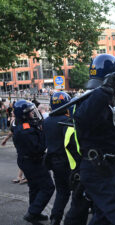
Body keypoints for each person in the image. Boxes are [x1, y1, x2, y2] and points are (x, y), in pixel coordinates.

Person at [73, 54, 115, 225]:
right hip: (101, 169)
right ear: (110, 80)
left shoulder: (106, 100)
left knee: (104, 219)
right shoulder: (92, 98)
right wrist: (104, 91)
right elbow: (83, 118)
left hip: (111, 168)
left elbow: (106, 131)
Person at [12, 99, 55, 223]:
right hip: (33, 162)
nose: (34, 114)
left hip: (27, 161)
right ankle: (32, 213)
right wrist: (43, 133)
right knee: (48, 187)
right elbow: (38, 148)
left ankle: (34, 211)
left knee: (35, 188)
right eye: (31, 112)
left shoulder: (23, 125)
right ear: (24, 115)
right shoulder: (25, 130)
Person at [43, 91, 72, 225]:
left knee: (62, 191)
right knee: (78, 191)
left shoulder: (47, 121)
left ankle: (55, 217)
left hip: (54, 161)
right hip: (67, 162)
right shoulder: (66, 121)